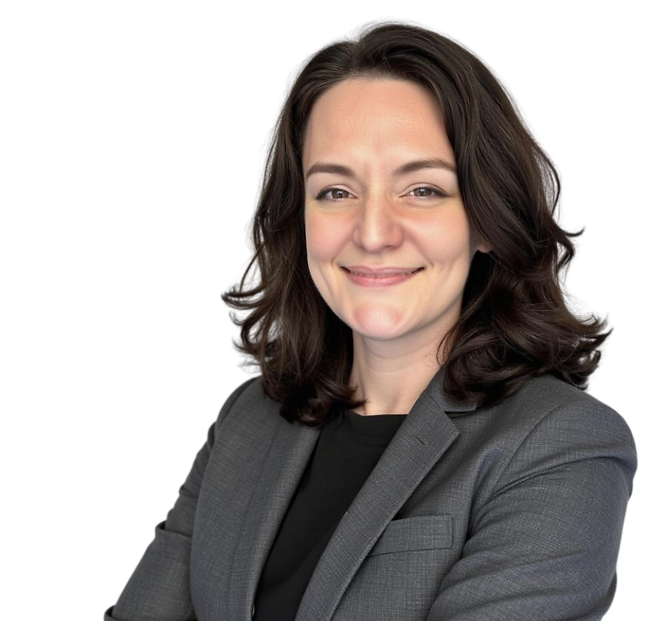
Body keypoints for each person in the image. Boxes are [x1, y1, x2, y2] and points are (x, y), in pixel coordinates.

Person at [102, 16, 639, 621]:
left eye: (422, 190)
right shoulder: (246, 420)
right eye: (335, 191)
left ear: (488, 220)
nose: (373, 233)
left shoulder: (562, 445)